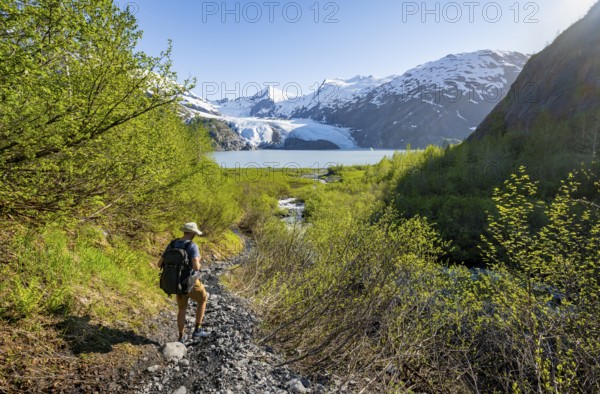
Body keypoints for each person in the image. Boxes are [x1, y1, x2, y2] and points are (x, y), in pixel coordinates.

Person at [157, 222, 209, 342]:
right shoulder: (192, 246)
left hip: (175, 282)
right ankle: (198, 330)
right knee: (203, 299)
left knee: (182, 308)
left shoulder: (172, 244)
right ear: (193, 233)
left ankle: (181, 337)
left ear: (184, 231)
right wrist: (199, 261)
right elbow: (196, 267)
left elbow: (159, 264)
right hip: (189, 282)